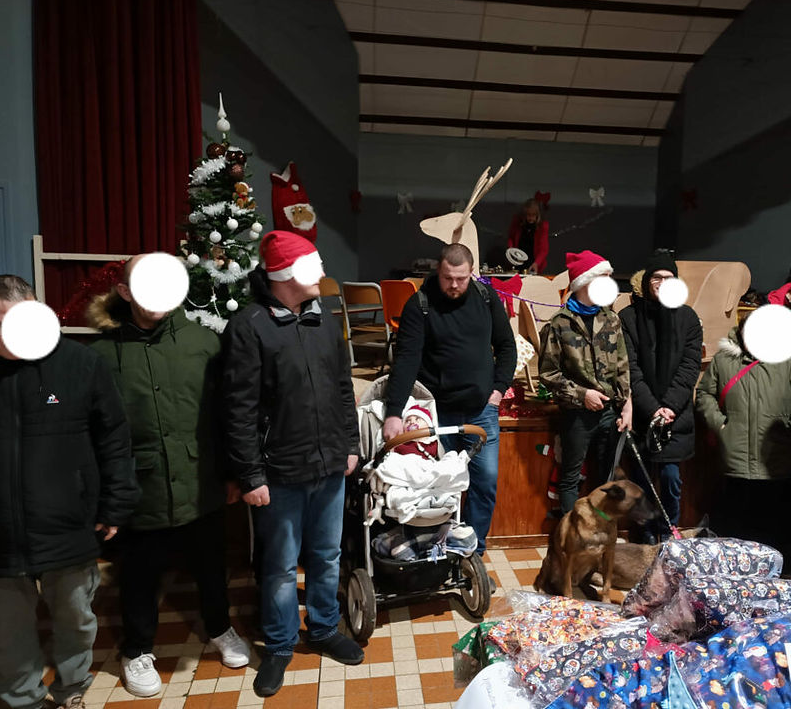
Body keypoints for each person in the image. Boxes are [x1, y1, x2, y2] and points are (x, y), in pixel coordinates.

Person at [87, 256, 250, 697]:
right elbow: (97, 431)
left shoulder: (204, 343)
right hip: (141, 487)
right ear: (125, 292)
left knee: (211, 565)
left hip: (200, 479)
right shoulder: (102, 355)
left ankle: (219, 627)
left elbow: (224, 415)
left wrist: (232, 472)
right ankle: (137, 649)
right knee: (139, 574)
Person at [222, 231, 363, 697]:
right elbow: (238, 407)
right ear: (284, 276)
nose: (321, 274)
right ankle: (280, 643)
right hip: (278, 471)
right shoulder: (249, 326)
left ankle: (322, 629)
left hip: (329, 464)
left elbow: (343, 388)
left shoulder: (324, 319)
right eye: (311, 267)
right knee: (281, 566)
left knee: (327, 555)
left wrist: (349, 444)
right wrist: (250, 474)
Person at [0, 274, 139, 709]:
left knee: (76, 619)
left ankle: (72, 688)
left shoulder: (81, 363)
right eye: (0, 325)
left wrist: (115, 504)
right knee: (7, 632)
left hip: (70, 525)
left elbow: (114, 438)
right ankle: (23, 700)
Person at [382, 243, 516, 553]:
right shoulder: (420, 304)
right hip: (437, 413)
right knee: (435, 489)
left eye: (460, 278)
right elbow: (406, 361)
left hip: (481, 410)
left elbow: (507, 347)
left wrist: (498, 389)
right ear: (438, 272)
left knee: (485, 483)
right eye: (447, 278)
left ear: (472, 273)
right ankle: (435, 550)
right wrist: (394, 412)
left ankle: (471, 551)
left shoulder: (486, 297)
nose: (454, 285)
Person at [694, 319, 791, 557]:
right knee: (736, 513)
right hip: (736, 451)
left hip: (775, 453)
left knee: (772, 515)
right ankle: (737, 563)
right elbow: (705, 393)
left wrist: (790, 427)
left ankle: (771, 563)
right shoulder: (724, 360)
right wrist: (720, 424)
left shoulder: (789, 361)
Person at [539, 251, 632, 513]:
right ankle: (572, 534)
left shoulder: (611, 319)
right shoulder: (559, 324)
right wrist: (582, 395)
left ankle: (601, 533)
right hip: (577, 415)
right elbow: (548, 374)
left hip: (609, 413)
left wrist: (627, 405)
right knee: (570, 479)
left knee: (605, 479)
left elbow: (622, 366)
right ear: (585, 282)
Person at [619, 255, 702, 539]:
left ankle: (668, 531)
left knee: (670, 478)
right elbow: (630, 368)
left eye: (669, 278)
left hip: (675, 414)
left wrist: (668, 407)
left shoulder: (688, 318)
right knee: (641, 479)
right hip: (642, 413)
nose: (662, 283)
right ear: (647, 281)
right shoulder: (628, 318)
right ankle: (645, 533)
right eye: (657, 277)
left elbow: (690, 366)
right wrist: (652, 408)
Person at [506, 198, 549, 273]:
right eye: (529, 215)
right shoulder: (517, 222)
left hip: (534, 262)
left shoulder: (542, 226)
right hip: (518, 259)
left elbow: (543, 249)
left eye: (533, 215)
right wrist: (511, 250)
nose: (531, 218)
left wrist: (536, 263)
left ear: (537, 215)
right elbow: (511, 238)